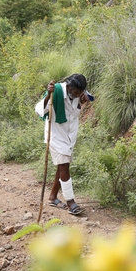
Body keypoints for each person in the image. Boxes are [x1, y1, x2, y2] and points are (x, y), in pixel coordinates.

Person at [34, 73, 92, 217]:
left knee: (62, 166)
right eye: (76, 93)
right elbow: (39, 109)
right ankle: (71, 202)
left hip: (70, 136)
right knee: (64, 166)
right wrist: (48, 95)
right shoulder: (57, 91)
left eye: (80, 93)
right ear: (69, 88)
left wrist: (83, 99)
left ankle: (53, 197)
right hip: (56, 136)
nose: (77, 95)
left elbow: (89, 98)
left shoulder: (79, 93)